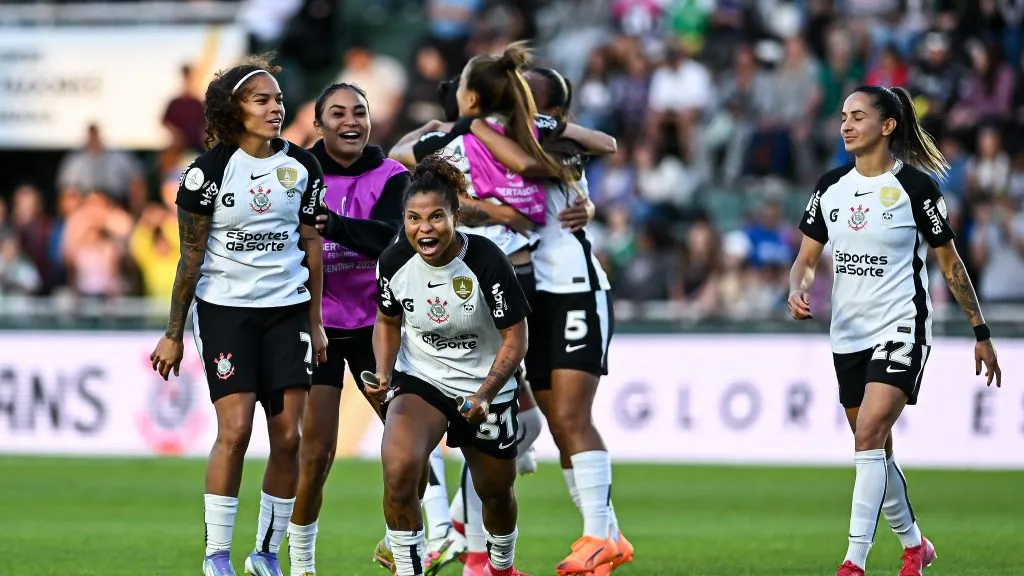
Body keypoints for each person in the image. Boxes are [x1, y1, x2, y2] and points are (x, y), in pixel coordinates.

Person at [787, 85, 1002, 576]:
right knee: (876, 449)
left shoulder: (917, 189)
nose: (846, 125)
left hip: (902, 325)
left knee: (868, 434)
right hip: (848, 333)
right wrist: (797, 288)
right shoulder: (830, 187)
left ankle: (853, 562)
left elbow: (951, 265)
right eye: (844, 116)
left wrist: (981, 331)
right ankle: (914, 545)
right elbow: (806, 258)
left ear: (887, 126)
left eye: (858, 116)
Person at [388, 42, 573, 575]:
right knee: (514, 424)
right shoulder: (531, 135)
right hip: (523, 269)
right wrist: (555, 185)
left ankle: (455, 530)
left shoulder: (454, 138)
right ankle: (457, 538)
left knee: (509, 432)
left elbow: (402, 157)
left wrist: (478, 196)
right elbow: (589, 146)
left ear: (468, 97)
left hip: (483, 272)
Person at [149, 55, 327, 576]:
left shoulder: (303, 167)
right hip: (226, 312)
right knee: (236, 430)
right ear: (235, 109)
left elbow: (312, 247)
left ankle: (264, 553)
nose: (276, 108)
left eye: (278, 99)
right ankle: (217, 556)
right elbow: (190, 257)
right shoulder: (206, 172)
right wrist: (173, 333)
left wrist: (315, 322)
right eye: (261, 100)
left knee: (289, 437)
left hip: (287, 312)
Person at [467, 67, 630, 576]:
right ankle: (608, 536)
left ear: (551, 109)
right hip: (536, 292)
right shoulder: (507, 140)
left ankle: (598, 537)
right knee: (560, 424)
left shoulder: (553, 142)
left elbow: (601, 145)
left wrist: (479, 125)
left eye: (527, 94)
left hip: (576, 288)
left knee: (574, 418)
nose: (515, 98)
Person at [371, 155, 531, 576]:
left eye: (436, 217)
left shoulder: (487, 261)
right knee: (399, 470)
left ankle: (501, 568)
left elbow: (516, 337)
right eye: (414, 218)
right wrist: (384, 372)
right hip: (422, 378)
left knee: (495, 493)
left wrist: (485, 394)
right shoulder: (393, 261)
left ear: (456, 216)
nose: (424, 229)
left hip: (484, 385)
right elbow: (387, 321)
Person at [284, 82, 411, 576]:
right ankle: (301, 563)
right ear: (318, 124)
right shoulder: (294, 172)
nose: (350, 121)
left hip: (379, 325)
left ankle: (406, 545)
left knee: (409, 446)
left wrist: (330, 224)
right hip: (317, 326)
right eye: (337, 113)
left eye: (359, 111)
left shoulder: (393, 176)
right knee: (314, 454)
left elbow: (389, 239)